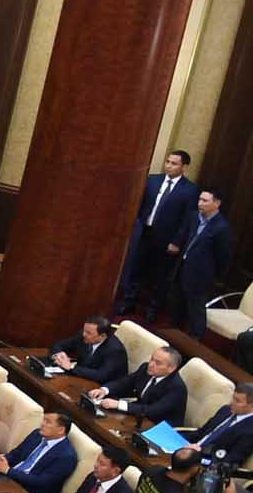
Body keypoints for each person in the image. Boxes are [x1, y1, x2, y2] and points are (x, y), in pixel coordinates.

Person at [122, 150, 200, 316]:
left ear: (184, 167)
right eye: (168, 162)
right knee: (136, 269)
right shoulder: (152, 180)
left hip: (167, 239)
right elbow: (140, 204)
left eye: (174, 163)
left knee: (160, 276)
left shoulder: (190, 189)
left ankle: (153, 309)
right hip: (145, 232)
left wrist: (177, 242)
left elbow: (187, 219)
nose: (169, 166)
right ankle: (129, 302)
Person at [175, 187, 233, 338]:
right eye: (199, 199)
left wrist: (215, 277)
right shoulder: (194, 217)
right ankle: (174, 336)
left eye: (205, 201)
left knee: (196, 312)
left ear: (217, 203)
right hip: (183, 268)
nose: (200, 203)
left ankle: (195, 342)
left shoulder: (222, 228)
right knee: (177, 306)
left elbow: (223, 257)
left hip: (201, 277)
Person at [0, 410, 79, 493]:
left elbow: (41, 482)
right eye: (43, 420)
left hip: (27, 491)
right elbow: (16, 454)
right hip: (8, 477)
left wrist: (8, 471)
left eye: (48, 422)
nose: (42, 424)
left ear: (61, 430)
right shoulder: (37, 434)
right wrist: (2, 460)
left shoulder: (66, 456)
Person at [97, 346, 189, 426]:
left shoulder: (177, 388)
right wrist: (104, 390)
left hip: (159, 426)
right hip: (139, 415)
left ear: (171, 368)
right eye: (152, 359)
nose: (151, 364)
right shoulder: (145, 368)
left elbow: (153, 410)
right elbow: (125, 382)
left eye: (158, 363)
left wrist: (118, 404)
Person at [50, 316, 130, 383]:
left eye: (88, 333)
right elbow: (59, 345)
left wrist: (71, 366)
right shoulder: (85, 336)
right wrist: (59, 355)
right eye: (84, 330)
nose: (84, 334)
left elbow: (101, 375)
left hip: (103, 387)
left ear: (102, 336)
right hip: (83, 378)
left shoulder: (115, 350)